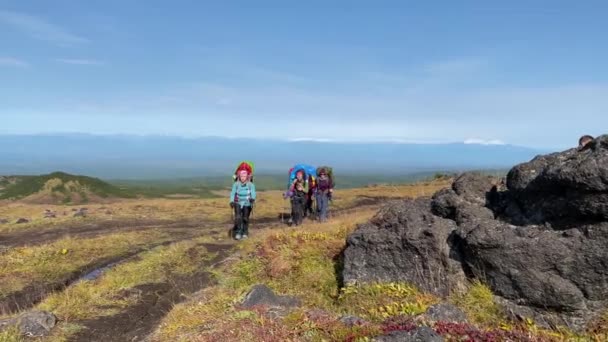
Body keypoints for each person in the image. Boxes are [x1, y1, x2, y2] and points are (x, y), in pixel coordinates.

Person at [230, 169, 256, 240]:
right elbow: (232, 193)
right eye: (241, 176)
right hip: (238, 202)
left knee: (245, 218)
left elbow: (253, 192)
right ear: (239, 176)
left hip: (247, 203)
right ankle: (238, 232)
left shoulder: (251, 185)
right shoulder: (236, 184)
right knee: (238, 217)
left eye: (244, 176)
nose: (243, 178)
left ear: (247, 177)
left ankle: (245, 232)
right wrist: (231, 201)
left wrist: (252, 198)